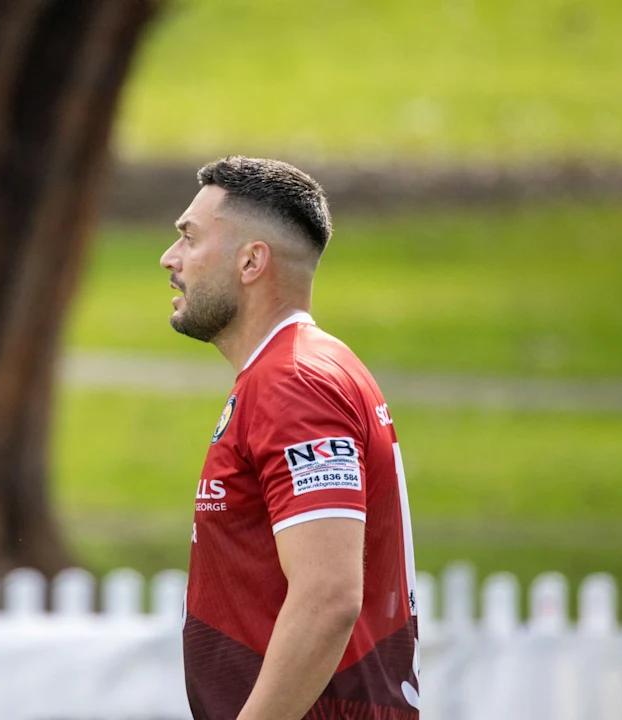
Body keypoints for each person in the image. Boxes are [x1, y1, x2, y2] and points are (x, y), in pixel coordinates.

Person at [162, 157, 418, 719]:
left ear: (252, 261)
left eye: (189, 238)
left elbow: (328, 597)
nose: (170, 258)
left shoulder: (293, 383)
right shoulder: (304, 368)